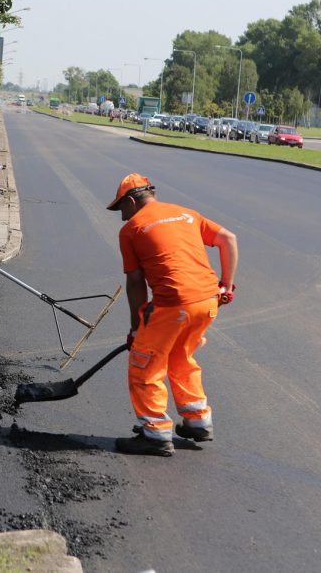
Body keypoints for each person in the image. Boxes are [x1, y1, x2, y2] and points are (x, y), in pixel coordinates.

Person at [107, 173, 238, 457]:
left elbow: (135, 282)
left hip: (175, 303)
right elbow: (228, 239)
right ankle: (198, 421)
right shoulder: (186, 214)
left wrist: (136, 327)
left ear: (131, 201)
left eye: (121, 209)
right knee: (180, 356)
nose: (121, 217)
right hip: (207, 300)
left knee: (145, 364)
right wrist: (226, 284)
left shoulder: (131, 230)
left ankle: (155, 434)